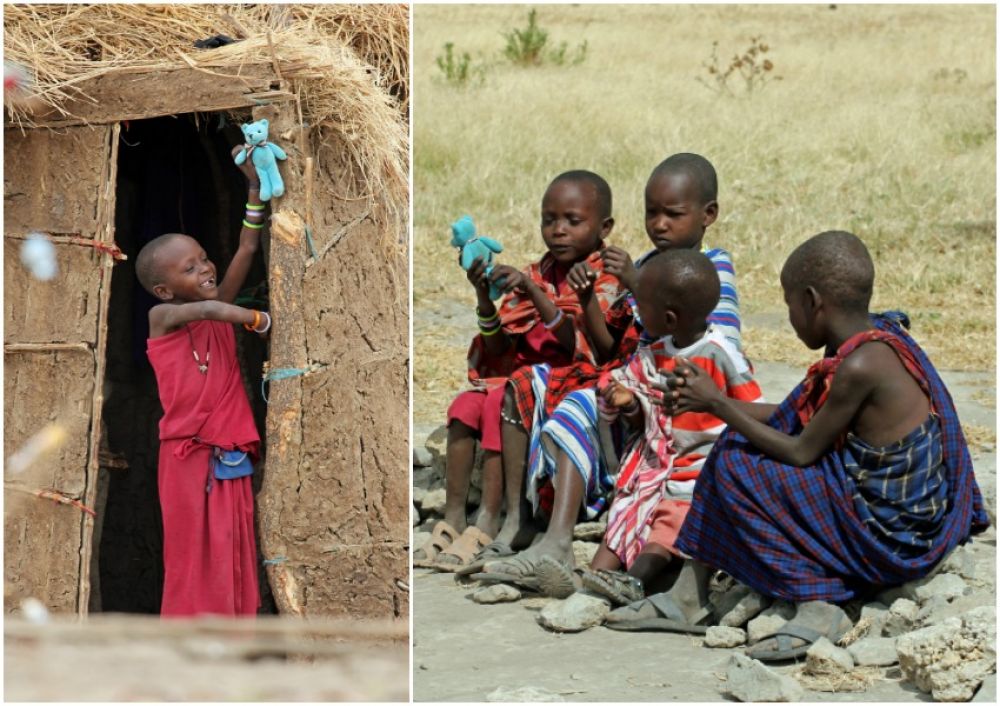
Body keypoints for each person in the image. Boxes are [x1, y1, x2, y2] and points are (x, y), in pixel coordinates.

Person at [626, 230, 989, 657]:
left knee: (735, 464)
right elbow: (799, 416)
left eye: (788, 304)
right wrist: (717, 401)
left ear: (813, 301)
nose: (789, 317)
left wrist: (718, 406)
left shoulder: (860, 365)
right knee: (735, 449)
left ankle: (819, 600)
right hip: (894, 511)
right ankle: (691, 592)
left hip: (892, 535)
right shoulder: (874, 339)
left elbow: (801, 450)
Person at [475, 153, 740, 581]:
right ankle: (520, 518)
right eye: (652, 213)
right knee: (529, 383)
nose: (659, 225)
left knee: (581, 403)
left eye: (673, 214)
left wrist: (637, 284)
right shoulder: (648, 263)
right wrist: (585, 302)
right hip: (632, 384)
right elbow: (608, 349)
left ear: (708, 214)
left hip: (678, 402)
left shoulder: (713, 267)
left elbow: (709, 347)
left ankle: (558, 539)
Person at [414, 171, 626, 571]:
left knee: (504, 394)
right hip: (523, 378)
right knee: (465, 405)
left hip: (571, 381)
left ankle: (504, 517)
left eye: (572, 221)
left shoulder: (604, 276)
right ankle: (454, 516)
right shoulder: (539, 272)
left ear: (605, 227)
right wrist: (483, 296)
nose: (558, 230)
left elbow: (582, 347)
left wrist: (533, 292)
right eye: (549, 220)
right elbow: (499, 349)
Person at [566, 250, 763, 604]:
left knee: (668, 520)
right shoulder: (656, 351)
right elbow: (637, 389)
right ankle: (593, 582)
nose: (637, 312)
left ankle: (634, 582)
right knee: (628, 509)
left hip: (703, 468)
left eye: (642, 304)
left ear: (669, 318)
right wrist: (627, 399)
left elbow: (754, 410)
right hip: (661, 464)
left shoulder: (720, 354)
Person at [136, 147, 271, 616]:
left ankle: (233, 648)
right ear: (164, 289)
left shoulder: (217, 311)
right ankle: (188, 654)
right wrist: (257, 320)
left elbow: (247, 250)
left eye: (204, 259)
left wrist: (254, 190)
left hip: (230, 456)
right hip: (186, 461)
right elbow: (213, 308)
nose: (206, 268)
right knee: (191, 557)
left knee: (233, 550)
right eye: (189, 268)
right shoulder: (163, 318)